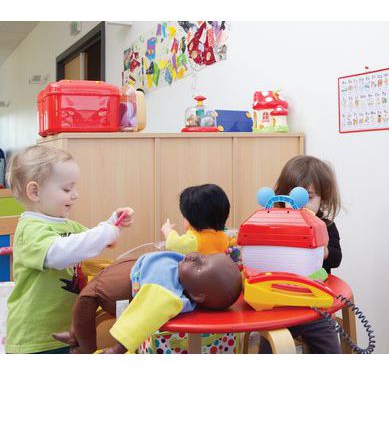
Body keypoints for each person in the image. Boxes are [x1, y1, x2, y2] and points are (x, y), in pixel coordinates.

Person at [5, 144, 133, 353]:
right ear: (35, 191)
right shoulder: (29, 230)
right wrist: (104, 233)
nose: (75, 195)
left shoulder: (67, 225)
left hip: (69, 330)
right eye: (67, 189)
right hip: (34, 337)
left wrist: (112, 223)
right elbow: (59, 254)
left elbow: (89, 242)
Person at [53, 251, 242, 354]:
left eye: (199, 268)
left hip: (108, 290)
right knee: (88, 294)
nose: (195, 258)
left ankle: (83, 348)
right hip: (123, 270)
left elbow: (142, 320)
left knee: (85, 300)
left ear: (197, 295)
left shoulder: (165, 293)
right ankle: (74, 333)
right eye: (204, 257)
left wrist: (118, 348)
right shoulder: (177, 266)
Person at [259, 154, 342, 354]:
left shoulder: (326, 225)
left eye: (308, 197)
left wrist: (323, 251)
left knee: (330, 350)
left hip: (314, 306)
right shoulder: (278, 222)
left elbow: (336, 258)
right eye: (292, 198)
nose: (298, 205)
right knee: (270, 347)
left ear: (323, 197)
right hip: (280, 305)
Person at [162, 184, 231, 255]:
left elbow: (172, 244)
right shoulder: (223, 238)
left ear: (193, 220)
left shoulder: (196, 240)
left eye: (184, 217)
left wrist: (168, 231)